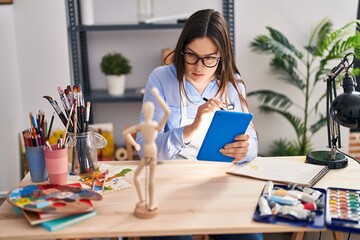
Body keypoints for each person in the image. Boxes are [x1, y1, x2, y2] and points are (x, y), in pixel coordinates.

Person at [136, 9, 262, 240]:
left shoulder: (233, 84)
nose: (199, 66)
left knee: (250, 237)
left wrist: (247, 150)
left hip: (219, 182)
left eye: (210, 58)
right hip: (170, 184)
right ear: (182, 49)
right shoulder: (161, 78)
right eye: (191, 55)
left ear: (221, 56)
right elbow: (145, 148)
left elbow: (251, 139)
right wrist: (191, 129)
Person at [123, 87, 170, 218]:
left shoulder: (142, 126)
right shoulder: (154, 124)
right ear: (152, 112)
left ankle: (147, 201)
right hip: (151, 150)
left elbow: (125, 133)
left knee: (140, 176)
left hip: (148, 150)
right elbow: (167, 112)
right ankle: (148, 202)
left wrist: (135, 145)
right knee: (148, 178)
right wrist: (158, 96)